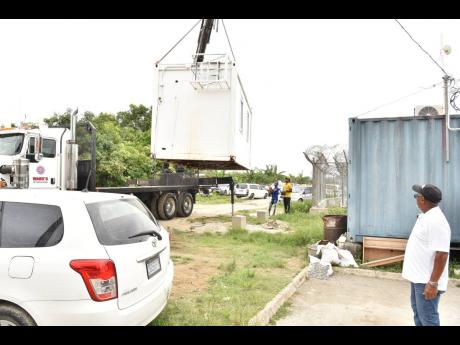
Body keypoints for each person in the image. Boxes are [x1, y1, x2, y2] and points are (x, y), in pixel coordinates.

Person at [402, 184, 451, 326]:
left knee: (428, 319)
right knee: (418, 314)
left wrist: (433, 283)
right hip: (418, 278)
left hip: (426, 281)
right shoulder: (427, 216)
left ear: (422, 199)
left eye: (416, 196)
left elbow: (442, 254)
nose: (415, 198)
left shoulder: (436, 221)